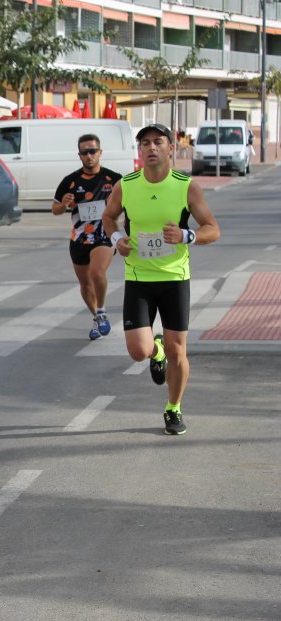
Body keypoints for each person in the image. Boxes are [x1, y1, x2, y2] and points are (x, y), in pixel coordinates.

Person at [102, 123, 220, 436]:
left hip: (174, 278)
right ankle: (157, 352)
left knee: (179, 350)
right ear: (139, 152)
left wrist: (187, 234)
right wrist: (117, 238)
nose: (151, 148)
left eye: (158, 142)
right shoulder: (126, 185)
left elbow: (213, 228)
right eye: (145, 143)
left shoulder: (186, 186)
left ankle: (173, 407)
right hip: (139, 277)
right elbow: (107, 217)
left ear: (171, 148)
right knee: (138, 351)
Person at [51, 134, 122, 340]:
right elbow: (55, 209)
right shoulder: (70, 181)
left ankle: (101, 311)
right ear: (79, 155)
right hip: (79, 239)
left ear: (100, 152)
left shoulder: (114, 179)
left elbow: (129, 204)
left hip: (104, 235)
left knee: (97, 273)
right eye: (85, 152)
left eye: (93, 151)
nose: (89, 156)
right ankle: (96, 317)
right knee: (85, 284)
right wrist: (63, 204)